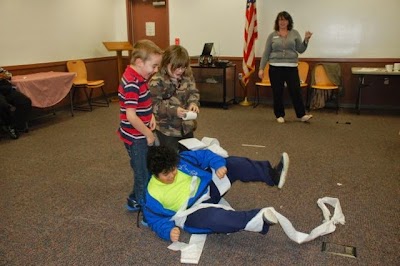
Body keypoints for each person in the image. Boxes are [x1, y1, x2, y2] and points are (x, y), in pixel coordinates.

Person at [143, 145, 289, 242]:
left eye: (173, 169)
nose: (172, 175)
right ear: (154, 174)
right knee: (216, 219)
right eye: (165, 174)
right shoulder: (151, 194)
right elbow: (154, 220)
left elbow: (204, 155)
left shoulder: (182, 159)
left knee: (232, 163)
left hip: (207, 188)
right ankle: (260, 219)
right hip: (190, 212)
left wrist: (218, 164)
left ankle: (272, 174)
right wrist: (167, 231)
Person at [117, 39, 163, 212]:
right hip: (136, 137)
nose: (156, 70)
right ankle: (147, 211)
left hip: (141, 132)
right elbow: (131, 116)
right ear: (139, 62)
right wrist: (148, 134)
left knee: (145, 167)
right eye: (154, 66)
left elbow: (142, 103)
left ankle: (134, 199)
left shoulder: (141, 77)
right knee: (143, 173)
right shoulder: (131, 83)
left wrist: (150, 115)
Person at [258, 11, 313, 124]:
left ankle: (301, 115)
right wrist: (261, 68)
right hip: (275, 67)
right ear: (277, 22)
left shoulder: (295, 33)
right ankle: (279, 114)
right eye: (280, 20)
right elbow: (266, 52)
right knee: (277, 92)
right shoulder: (272, 35)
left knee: (296, 91)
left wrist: (306, 40)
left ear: (288, 21)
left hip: (291, 67)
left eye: (284, 19)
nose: (282, 22)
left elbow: (300, 49)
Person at [149, 45, 200, 152]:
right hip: (167, 129)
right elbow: (153, 105)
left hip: (186, 127)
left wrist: (193, 103)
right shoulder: (157, 80)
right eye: (176, 67)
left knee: (190, 156)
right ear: (166, 63)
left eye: (183, 67)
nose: (180, 70)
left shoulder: (187, 76)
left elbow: (193, 92)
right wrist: (174, 111)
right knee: (171, 159)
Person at [0, 68, 32, 139]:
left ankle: (16, 125)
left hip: (6, 89)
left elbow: (9, 75)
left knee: (25, 101)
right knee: (3, 105)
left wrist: (6, 76)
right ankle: (9, 125)